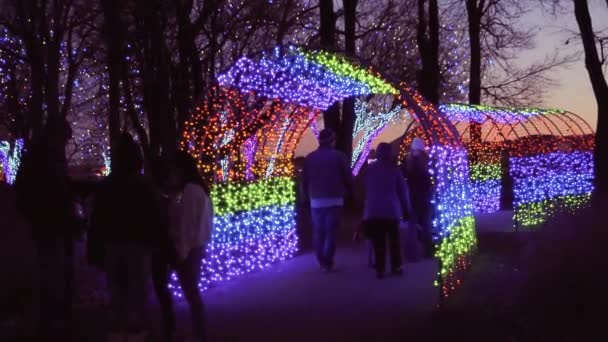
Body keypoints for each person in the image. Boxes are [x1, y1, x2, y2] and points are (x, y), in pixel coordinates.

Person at [90, 133, 165, 342]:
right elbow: (154, 216)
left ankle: (116, 329)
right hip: (139, 244)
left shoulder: (107, 186)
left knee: (117, 289)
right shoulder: (143, 185)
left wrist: (95, 247)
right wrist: (159, 243)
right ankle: (135, 331)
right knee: (137, 290)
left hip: (113, 243)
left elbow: (98, 219)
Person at [14, 119, 81, 341]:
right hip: (51, 226)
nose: (65, 143)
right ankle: (50, 327)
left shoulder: (40, 157)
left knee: (52, 278)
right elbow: (54, 194)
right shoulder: (45, 160)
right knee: (51, 279)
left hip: (49, 224)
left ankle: (51, 324)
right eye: (64, 139)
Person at [155, 150, 213, 342]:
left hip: (188, 250)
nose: (171, 173)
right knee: (192, 293)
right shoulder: (199, 189)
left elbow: (186, 226)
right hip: (197, 247)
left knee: (191, 293)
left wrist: (181, 253)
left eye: (173, 169)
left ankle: (199, 333)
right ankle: (200, 332)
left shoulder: (190, 192)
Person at [302, 128, 353, 272]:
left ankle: (321, 259)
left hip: (316, 200)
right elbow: (347, 177)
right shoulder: (339, 157)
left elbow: (304, 181)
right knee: (331, 232)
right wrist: (350, 192)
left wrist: (305, 197)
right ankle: (327, 262)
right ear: (332, 140)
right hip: (335, 199)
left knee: (318, 232)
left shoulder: (310, 158)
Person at [363, 143, 412, 279]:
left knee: (378, 241)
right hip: (391, 209)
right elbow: (403, 191)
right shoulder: (394, 170)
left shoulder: (369, 170)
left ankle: (380, 269)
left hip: (374, 210)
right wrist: (407, 209)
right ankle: (396, 266)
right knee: (394, 240)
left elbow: (366, 190)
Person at [404, 137, 434, 259]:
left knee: (412, 226)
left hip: (411, 197)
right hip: (424, 196)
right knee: (426, 223)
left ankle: (411, 253)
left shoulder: (409, 161)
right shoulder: (425, 161)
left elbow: (406, 179)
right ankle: (428, 251)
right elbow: (428, 181)